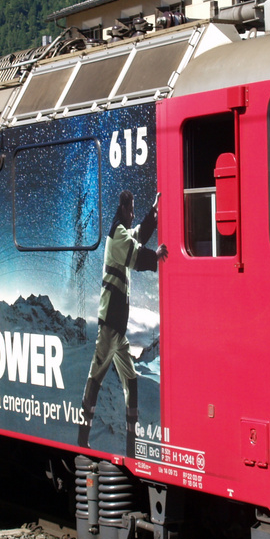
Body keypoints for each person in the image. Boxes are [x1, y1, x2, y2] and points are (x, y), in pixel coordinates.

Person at [78, 190, 166, 456]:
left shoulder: (123, 232)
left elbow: (138, 234)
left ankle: (131, 446)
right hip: (109, 327)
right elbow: (135, 254)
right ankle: (83, 439)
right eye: (132, 210)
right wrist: (156, 255)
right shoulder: (117, 234)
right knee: (95, 378)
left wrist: (153, 214)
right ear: (124, 210)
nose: (132, 215)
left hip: (119, 330)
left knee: (131, 380)